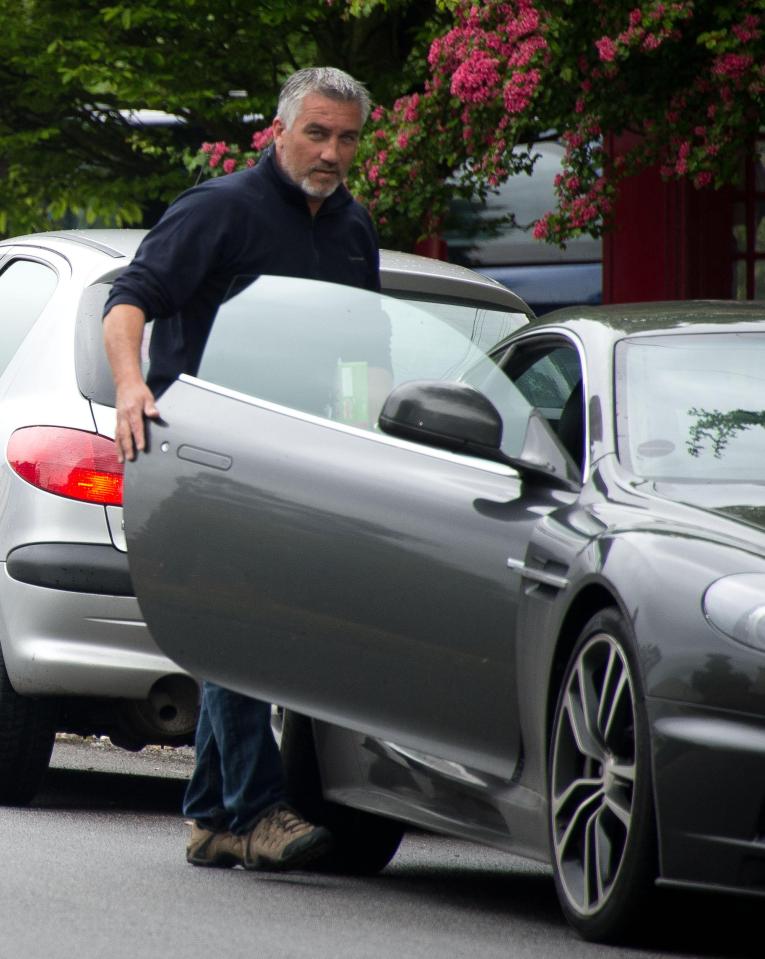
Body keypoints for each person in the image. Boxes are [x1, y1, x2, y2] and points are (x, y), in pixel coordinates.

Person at [103, 66, 379, 871]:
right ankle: (259, 812)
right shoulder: (217, 210)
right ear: (279, 130)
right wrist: (130, 388)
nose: (330, 151)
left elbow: (369, 348)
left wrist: (378, 438)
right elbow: (130, 302)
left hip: (298, 456)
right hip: (203, 451)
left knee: (264, 625)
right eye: (317, 133)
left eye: (346, 138)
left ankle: (208, 816)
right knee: (239, 624)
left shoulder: (353, 228)